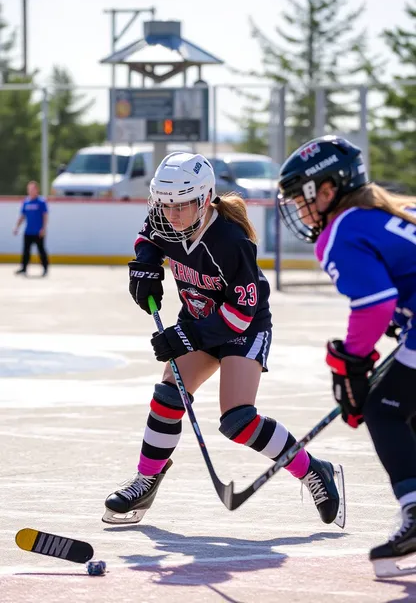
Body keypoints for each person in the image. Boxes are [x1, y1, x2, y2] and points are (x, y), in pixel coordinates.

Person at [102, 152, 345, 528]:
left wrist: (185, 336)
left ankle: (313, 469)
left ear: (205, 198)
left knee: (238, 421)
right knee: (168, 397)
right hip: (199, 319)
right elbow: (147, 235)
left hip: (243, 328)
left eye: (182, 206)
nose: (173, 214)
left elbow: (239, 315)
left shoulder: (230, 241)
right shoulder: (165, 214)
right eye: (166, 205)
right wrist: (146, 265)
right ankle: (146, 480)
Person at [277, 134, 416, 578]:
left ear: (327, 189)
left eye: (301, 199)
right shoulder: (388, 212)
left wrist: (354, 362)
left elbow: (374, 303)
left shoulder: (343, 230)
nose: (299, 210)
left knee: (384, 408)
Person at [13, 180, 49, 276]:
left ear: (37, 190)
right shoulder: (26, 202)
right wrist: (17, 227)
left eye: (33, 189)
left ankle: (45, 268)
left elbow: (45, 216)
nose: (31, 191)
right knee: (26, 251)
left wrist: (44, 228)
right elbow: (22, 216)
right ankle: (24, 268)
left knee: (41, 250)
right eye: (29, 189)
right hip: (28, 231)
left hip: (38, 231)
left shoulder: (41, 202)